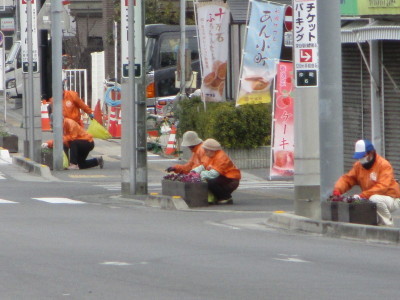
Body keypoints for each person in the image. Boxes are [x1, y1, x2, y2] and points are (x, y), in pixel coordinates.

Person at [332, 139, 400, 226]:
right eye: (359, 157)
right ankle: (377, 224)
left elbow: (382, 186)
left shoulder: (384, 165)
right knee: (370, 200)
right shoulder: (358, 166)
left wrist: (362, 196)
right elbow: (348, 179)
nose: (361, 160)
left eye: (363, 156)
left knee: (374, 199)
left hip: (392, 198)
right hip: (371, 196)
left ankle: (387, 224)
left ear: (371, 153)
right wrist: (338, 190)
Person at [191, 138, 241, 205]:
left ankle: (226, 197)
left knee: (212, 182)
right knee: (209, 180)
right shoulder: (210, 156)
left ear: (212, 150)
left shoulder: (221, 157)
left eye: (206, 151)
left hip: (231, 180)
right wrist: (193, 172)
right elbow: (203, 166)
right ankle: (220, 196)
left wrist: (199, 175)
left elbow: (214, 174)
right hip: (224, 177)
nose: (205, 153)